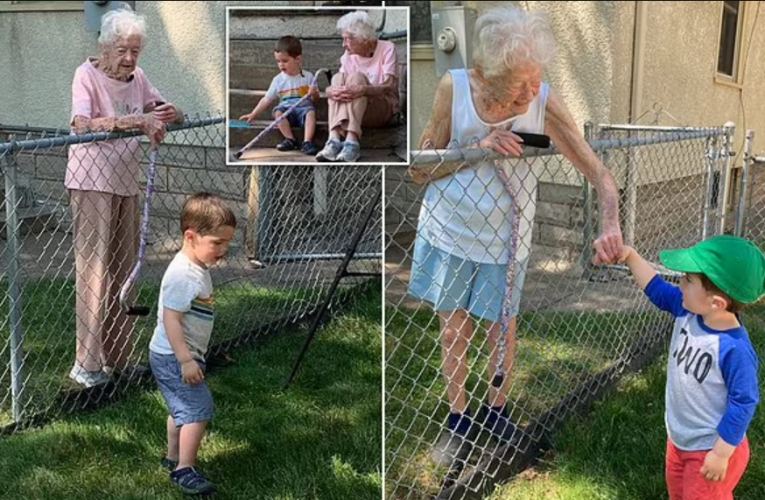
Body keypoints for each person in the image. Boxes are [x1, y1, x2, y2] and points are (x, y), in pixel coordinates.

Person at [406, 6, 624, 466]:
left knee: (502, 329)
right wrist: (477, 149)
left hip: (507, 240)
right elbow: (419, 170)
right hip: (450, 229)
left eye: (536, 79)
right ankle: (458, 417)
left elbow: (600, 175)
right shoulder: (456, 88)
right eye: (519, 84)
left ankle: (497, 409)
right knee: (454, 330)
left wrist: (610, 223)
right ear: (486, 75)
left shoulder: (543, 100)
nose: (531, 93)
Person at [67, 7, 183, 388]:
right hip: (91, 181)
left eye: (136, 51)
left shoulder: (139, 77)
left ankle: (120, 357)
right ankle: (86, 362)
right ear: (104, 46)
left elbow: (160, 110)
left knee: (124, 271)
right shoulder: (86, 75)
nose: (130, 59)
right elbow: (81, 125)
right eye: (122, 50)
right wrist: (135, 121)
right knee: (95, 271)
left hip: (126, 180)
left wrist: (171, 113)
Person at [598, 235, 763, 500]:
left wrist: (721, 453)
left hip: (711, 449)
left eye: (688, 280)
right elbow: (657, 289)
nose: (680, 283)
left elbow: (744, 402)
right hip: (679, 439)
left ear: (717, 303)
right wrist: (630, 256)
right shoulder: (689, 309)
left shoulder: (734, 349)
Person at [149, 192, 236, 496]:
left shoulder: (195, 267)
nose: (224, 250)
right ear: (191, 236)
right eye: (217, 243)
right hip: (176, 356)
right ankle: (185, 469)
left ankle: (173, 459)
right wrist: (186, 360)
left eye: (227, 243)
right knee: (198, 409)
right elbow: (171, 320)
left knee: (181, 409)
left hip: (178, 355)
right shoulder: (184, 275)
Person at [315, 10, 400, 163]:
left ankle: (352, 141)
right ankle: (334, 140)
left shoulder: (387, 48)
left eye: (348, 40)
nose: (344, 45)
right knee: (337, 79)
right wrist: (329, 91)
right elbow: (339, 86)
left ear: (364, 38)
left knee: (356, 78)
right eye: (343, 39)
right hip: (355, 110)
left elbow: (389, 85)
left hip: (382, 108)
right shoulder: (347, 57)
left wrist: (364, 89)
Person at [238, 35, 320, 155]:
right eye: (278, 61)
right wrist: (254, 114)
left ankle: (307, 142)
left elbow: (315, 100)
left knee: (311, 112)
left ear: (298, 59)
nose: (281, 65)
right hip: (286, 110)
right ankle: (290, 139)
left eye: (285, 61)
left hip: (303, 109)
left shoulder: (308, 77)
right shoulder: (278, 80)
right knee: (278, 112)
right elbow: (267, 99)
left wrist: (314, 94)